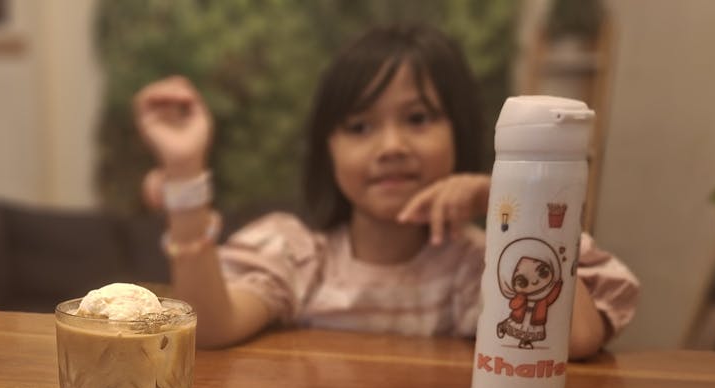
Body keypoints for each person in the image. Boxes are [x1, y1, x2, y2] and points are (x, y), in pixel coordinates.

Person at [133, 24, 638, 359]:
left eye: (418, 119)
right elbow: (211, 328)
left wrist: (507, 200)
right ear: (326, 151)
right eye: (358, 126)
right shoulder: (297, 255)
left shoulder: (481, 266)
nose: (391, 146)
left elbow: (576, 340)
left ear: (459, 132)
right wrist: (184, 175)